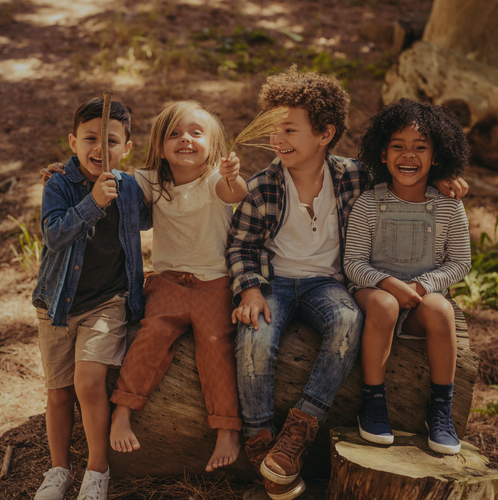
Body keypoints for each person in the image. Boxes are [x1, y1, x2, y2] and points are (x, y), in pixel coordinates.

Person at [226, 67, 469, 500]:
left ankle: (300, 428)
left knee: (347, 321)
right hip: (274, 283)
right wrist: (249, 289)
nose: (277, 138)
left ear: (325, 134)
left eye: (289, 129)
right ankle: (260, 437)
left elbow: (404, 175)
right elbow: (241, 245)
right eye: (273, 129)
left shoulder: (354, 176)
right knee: (254, 336)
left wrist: (439, 178)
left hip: (327, 283)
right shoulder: (261, 187)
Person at [107, 100, 248, 472]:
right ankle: (122, 410)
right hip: (169, 281)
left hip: (214, 282)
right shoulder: (150, 181)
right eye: (174, 134)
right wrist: (66, 173)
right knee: (151, 335)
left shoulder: (215, 180)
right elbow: (112, 179)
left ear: (212, 145)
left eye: (196, 133)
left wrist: (233, 175)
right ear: (159, 145)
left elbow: (236, 193)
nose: (185, 139)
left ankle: (226, 429)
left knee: (216, 346)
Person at [33, 98, 151, 500]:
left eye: (111, 140)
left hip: (107, 301)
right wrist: (93, 202)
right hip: (57, 304)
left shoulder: (130, 187)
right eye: (90, 138)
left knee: (87, 381)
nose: (100, 148)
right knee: (59, 391)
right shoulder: (59, 184)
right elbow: (54, 235)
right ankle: (58, 469)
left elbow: (158, 209)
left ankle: (97, 470)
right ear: (73, 142)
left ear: (127, 148)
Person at [343, 98, 471, 454]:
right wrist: (387, 284)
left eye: (420, 147)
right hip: (374, 292)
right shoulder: (369, 203)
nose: (408, 155)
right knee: (385, 304)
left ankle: (441, 409)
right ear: (383, 155)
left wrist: (422, 286)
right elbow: (353, 263)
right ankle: (373, 402)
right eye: (398, 146)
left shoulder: (449, 205)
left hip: (420, 297)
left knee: (441, 310)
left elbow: (460, 263)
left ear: (437, 156)